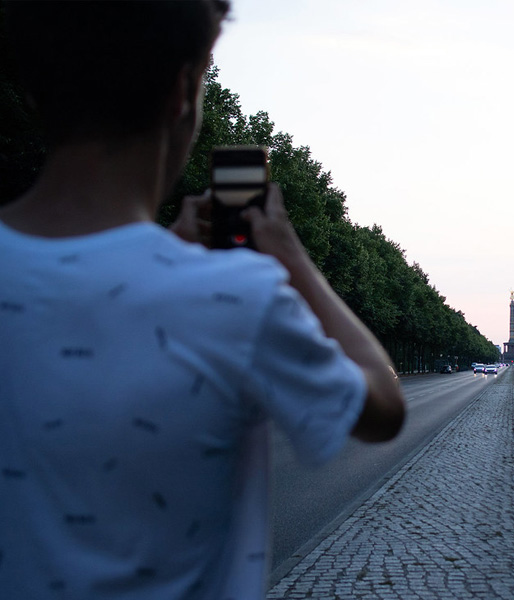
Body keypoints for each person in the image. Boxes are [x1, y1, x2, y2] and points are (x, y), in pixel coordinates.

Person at [0, 2, 405, 598]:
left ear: (31, 87)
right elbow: (382, 405)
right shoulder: (236, 297)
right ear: (184, 92)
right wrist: (292, 258)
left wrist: (163, 253)